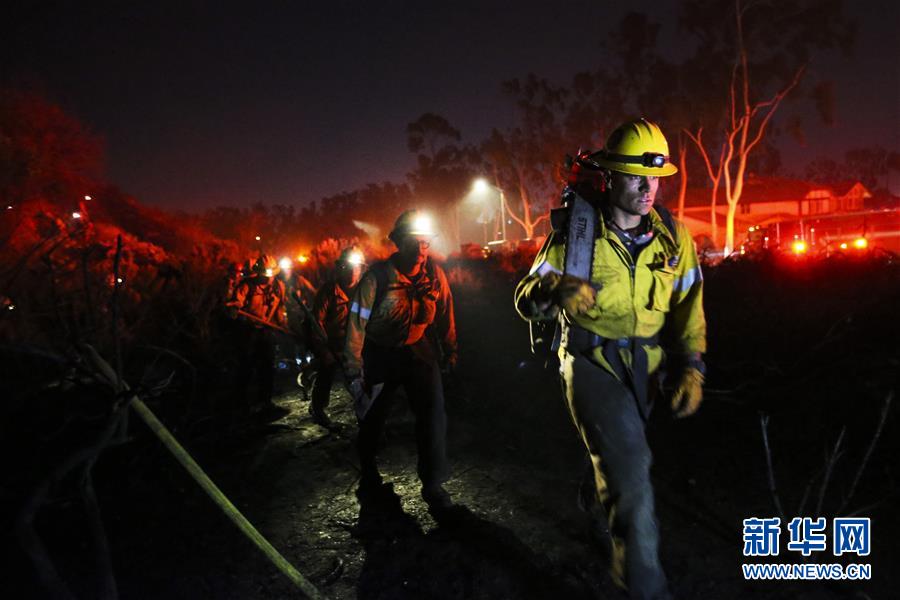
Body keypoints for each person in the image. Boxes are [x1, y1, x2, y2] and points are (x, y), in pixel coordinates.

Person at [515, 118, 706, 599]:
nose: (648, 189)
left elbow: (689, 306)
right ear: (612, 177)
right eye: (637, 177)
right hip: (590, 362)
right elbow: (525, 298)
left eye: (655, 178)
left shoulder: (673, 238)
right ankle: (645, 588)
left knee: (618, 457)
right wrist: (552, 290)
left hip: (646, 370)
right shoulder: (578, 235)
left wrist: (692, 366)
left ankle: (599, 483)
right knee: (633, 476)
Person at [344, 210, 458, 512]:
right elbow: (356, 325)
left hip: (418, 349)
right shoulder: (377, 278)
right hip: (380, 353)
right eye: (413, 242)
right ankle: (369, 473)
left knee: (433, 415)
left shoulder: (435, 276)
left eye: (425, 242)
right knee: (372, 416)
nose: (421, 249)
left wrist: (451, 350)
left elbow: (445, 314)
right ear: (399, 244)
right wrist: (354, 369)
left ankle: (433, 483)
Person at [307, 246, 366, 428]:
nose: (352, 272)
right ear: (341, 268)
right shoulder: (328, 291)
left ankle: (366, 414)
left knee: (361, 380)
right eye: (348, 267)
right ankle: (318, 408)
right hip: (331, 342)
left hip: (355, 343)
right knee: (327, 370)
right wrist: (323, 350)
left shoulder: (365, 291)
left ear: (361, 269)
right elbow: (316, 323)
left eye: (356, 267)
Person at [227, 254, 287, 415]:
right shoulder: (247, 285)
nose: (267, 278)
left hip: (267, 331)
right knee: (246, 366)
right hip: (248, 331)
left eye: (270, 275)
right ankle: (241, 404)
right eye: (264, 275)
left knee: (267, 367)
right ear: (258, 273)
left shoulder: (279, 286)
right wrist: (235, 307)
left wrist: (282, 324)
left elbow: (280, 308)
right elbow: (237, 301)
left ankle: (265, 402)